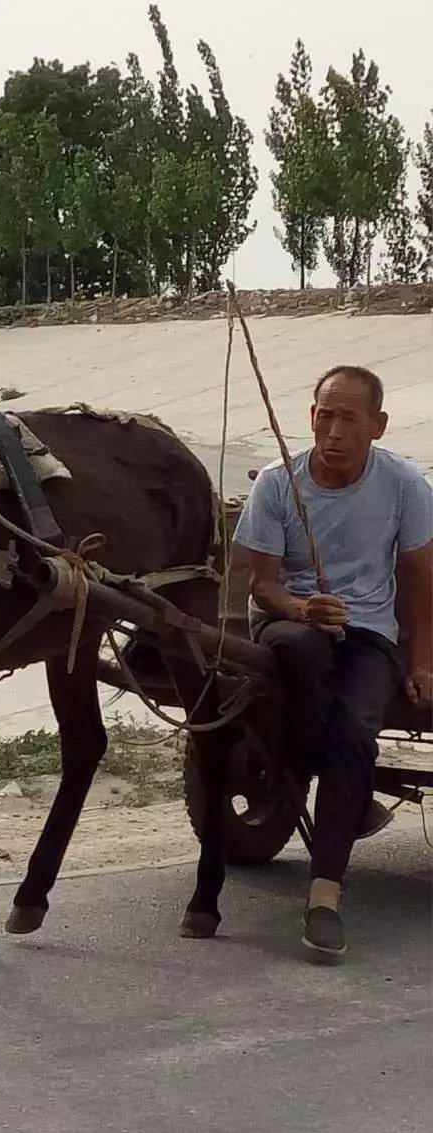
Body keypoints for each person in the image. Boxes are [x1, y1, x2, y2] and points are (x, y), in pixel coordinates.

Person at [234, 365, 432, 960]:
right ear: (310, 417)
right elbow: (261, 582)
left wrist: (422, 664)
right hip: (291, 622)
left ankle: (325, 897)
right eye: (325, 414)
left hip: (371, 630)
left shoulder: (402, 484)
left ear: (378, 425)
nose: (334, 430)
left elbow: (421, 579)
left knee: (354, 731)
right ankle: (349, 791)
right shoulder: (278, 482)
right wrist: (299, 605)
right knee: (298, 648)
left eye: (349, 418)